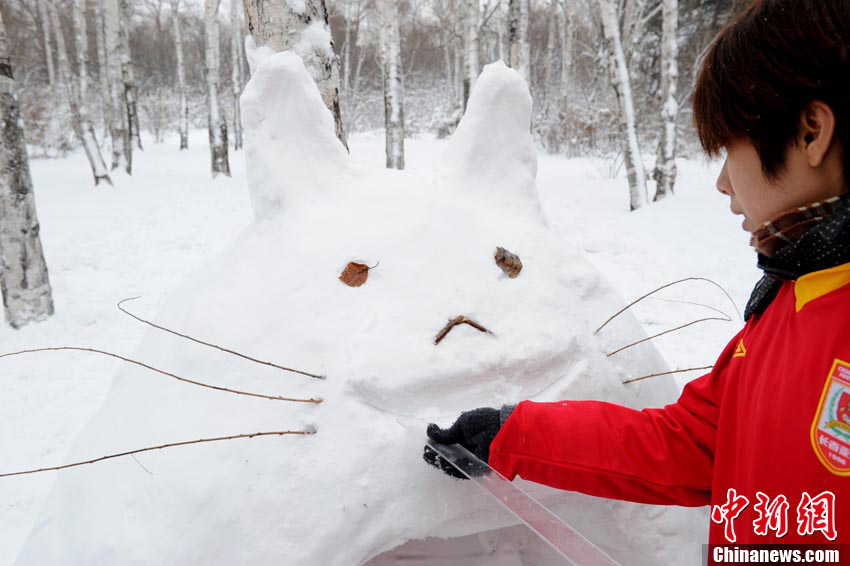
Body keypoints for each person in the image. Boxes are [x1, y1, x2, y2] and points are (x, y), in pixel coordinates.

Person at [425, 0, 850, 548]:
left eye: (730, 150)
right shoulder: (788, 303)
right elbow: (690, 444)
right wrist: (515, 435)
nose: (723, 184)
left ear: (811, 132)